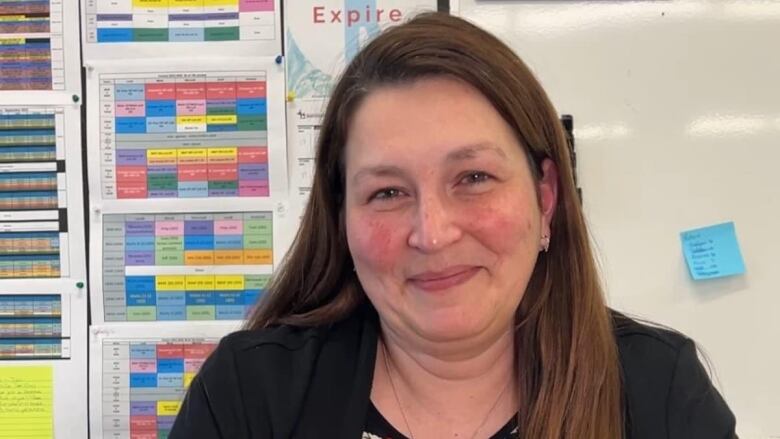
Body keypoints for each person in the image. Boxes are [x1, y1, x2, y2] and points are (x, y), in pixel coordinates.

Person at [170, 12, 737, 439]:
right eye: (387, 192)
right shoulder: (248, 396)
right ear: (342, 217)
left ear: (546, 196)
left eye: (473, 178)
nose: (433, 233)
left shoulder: (659, 391)